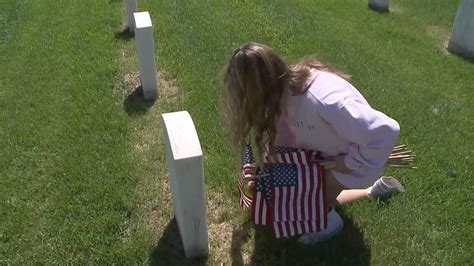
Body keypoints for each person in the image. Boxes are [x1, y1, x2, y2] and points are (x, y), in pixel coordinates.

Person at [220, 42, 404, 244]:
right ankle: (372, 191)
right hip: (322, 152)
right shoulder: (280, 93)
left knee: (302, 203)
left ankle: (328, 221)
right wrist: (265, 170)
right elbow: (280, 137)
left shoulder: (324, 102)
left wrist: (350, 162)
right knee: (277, 194)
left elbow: (385, 131)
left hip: (349, 158)